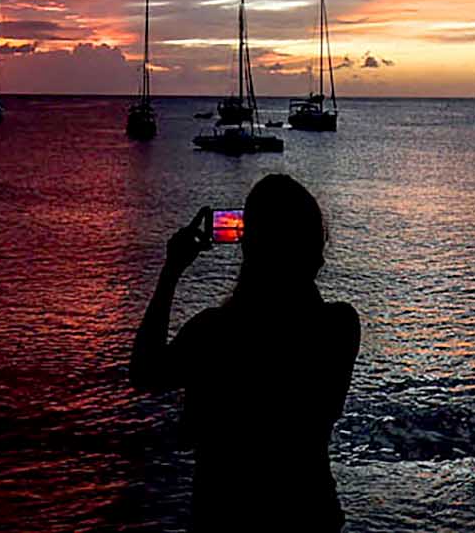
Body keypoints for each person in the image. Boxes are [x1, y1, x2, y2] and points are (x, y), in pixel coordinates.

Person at [130, 174, 361, 531]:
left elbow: (144, 372)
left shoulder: (214, 331)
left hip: (225, 515)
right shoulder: (340, 326)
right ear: (314, 245)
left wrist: (171, 271)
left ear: (248, 245)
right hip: (311, 514)